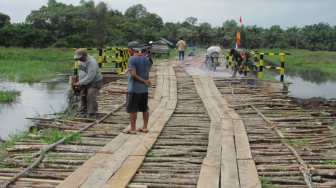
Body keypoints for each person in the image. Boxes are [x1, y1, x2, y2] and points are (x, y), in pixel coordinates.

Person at [123, 41, 152, 134]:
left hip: (134, 88)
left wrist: (143, 81)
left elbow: (133, 74)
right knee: (144, 108)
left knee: (132, 109)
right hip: (144, 89)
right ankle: (145, 127)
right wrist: (146, 81)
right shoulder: (146, 58)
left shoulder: (132, 59)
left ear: (130, 49)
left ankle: (132, 129)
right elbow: (147, 72)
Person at [73, 48, 103, 119]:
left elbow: (91, 75)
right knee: (82, 96)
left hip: (94, 82)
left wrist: (81, 83)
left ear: (85, 55)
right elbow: (81, 72)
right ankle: (82, 112)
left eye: (80, 57)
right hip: (84, 81)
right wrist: (80, 81)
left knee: (91, 96)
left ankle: (92, 114)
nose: (79, 59)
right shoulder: (80, 61)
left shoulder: (91, 62)